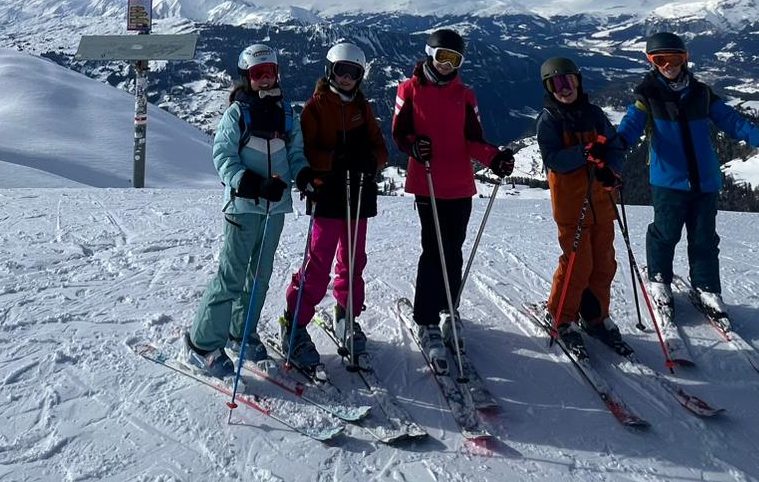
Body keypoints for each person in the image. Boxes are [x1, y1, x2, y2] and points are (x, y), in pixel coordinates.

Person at [616, 31, 759, 318]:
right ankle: (659, 280)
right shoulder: (648, 95)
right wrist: (614, 146)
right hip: (668, 181)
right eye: (660, 60)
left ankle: (706, 287)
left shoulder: (701, 94)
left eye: (675, 58)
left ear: (685, 59)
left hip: (705, 181)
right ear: (651, 62)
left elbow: (734, 122)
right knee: (665, 234)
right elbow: (631, 125)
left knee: (704, 238)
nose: (669, 66)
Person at [185, 43, 315, 377]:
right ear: (247, 77)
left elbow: (296, 154)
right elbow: (223, 157)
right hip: (243, 208)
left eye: (270, 72)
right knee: (231, 277)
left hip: (275, 209)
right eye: (257, 74)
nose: (265, 78)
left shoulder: (287, 113)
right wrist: (252, 184)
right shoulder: (237, 113)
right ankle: (202, 345)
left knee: (259, 278)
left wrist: (303, 176)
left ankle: (241, 331)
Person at [391, 28, 516, 372]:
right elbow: (399, 133)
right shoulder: (409, 89)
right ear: (429, 54)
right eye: (442, 57)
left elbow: (473, 139)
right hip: (428, 180)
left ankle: (448, 308)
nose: (447, 65)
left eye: (454, 59)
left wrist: (494, 158)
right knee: (433, 251)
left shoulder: (465, 95)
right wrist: (414, 146)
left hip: (460, 183)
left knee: (454, 249)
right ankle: (426, 318)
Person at [279, 40, 390, 371]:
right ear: (330, 70)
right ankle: (294, 323)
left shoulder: (362, 107)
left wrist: (372, 161)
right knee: (318, 262)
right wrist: (332, 160)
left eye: (353, 73)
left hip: (359, 194)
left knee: (353, 261)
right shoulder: (316, 107)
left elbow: (380, 148)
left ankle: (346, 314)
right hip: (327, 194)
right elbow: (304, 151)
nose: (347, 78)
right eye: (342, 71)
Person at [535, 55, 632, 356]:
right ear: (549, 89)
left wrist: (611, 171)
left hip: (602, 202)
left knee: (604, 263)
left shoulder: (594, 114)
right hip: (571, 205)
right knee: (578, 264)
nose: (564, 89)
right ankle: (562, 317)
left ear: (578, 81)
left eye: (568, 81)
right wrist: (584, 153)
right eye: (556, 84)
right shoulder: (549, 120)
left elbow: (615, 147)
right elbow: (553, 160)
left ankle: (595, 316)